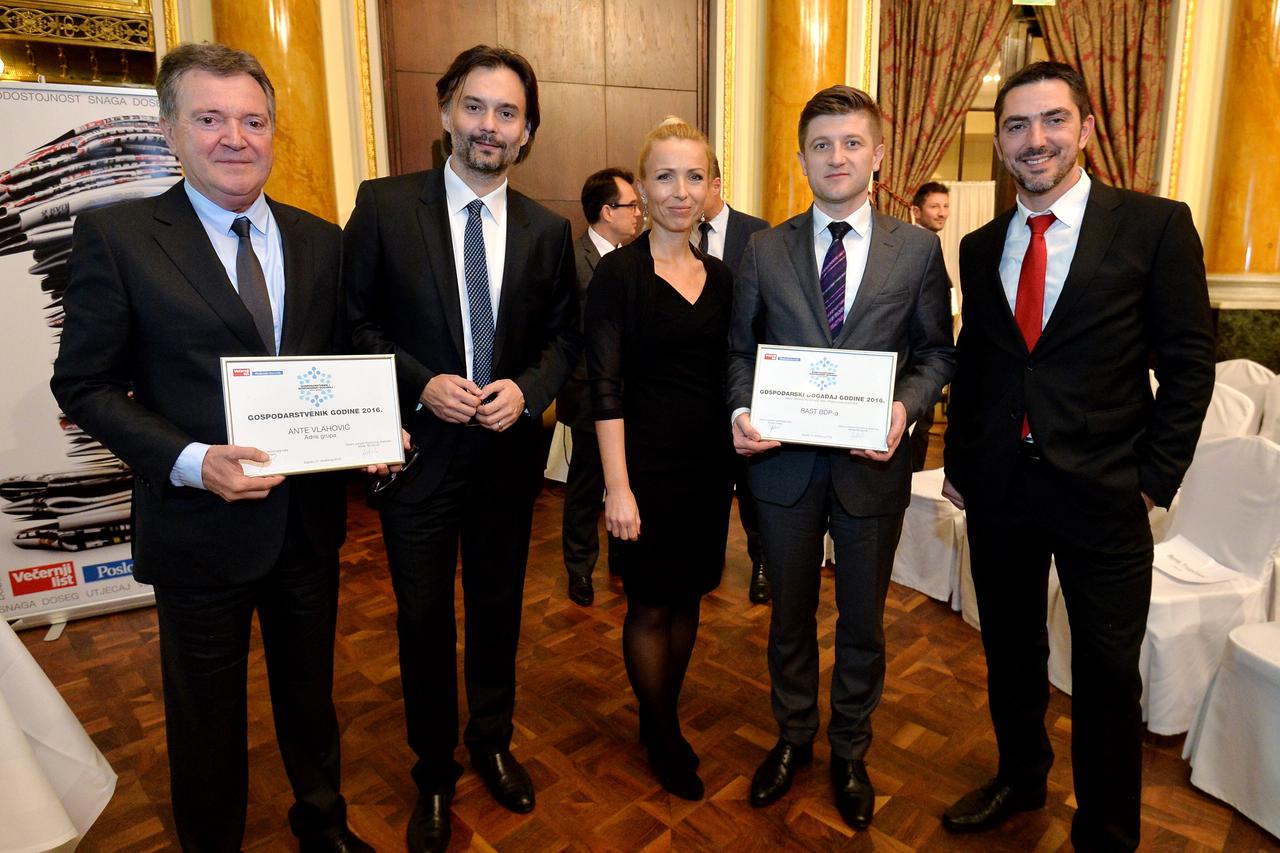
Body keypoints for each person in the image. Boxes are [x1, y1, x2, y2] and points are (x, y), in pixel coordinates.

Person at [50, 43, 370, 853]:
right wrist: (194, 460)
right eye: (211, 118)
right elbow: (84, 386)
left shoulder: (320, 240)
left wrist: (376, 425)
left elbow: (331, 370)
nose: (235, 137)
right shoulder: (118, 236)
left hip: (305, 525)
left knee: (311, 695)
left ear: (273, 133)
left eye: (253, 120)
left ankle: (323, 825)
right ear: (170, 131)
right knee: (205, 720)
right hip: (196, 530)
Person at [939, 62, 1214, 851]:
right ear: (1000, 141)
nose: (1036, 140)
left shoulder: (1156, 227)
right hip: (1001, 488)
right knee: (1011, 650)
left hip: (1107, 492)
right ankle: (1022, 778)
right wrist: (961, 460)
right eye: (1018, 126)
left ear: (1087, 128)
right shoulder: (981, 242)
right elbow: (982, 359)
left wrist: (1153, 481)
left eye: (1053, 120)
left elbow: (1190, 366)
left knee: (1104, 672)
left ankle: (1106, 830)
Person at [343, 45, 578, 853]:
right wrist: (419, 381)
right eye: (475, 106)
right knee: (420, 618)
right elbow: (353, 324)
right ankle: (433, 771)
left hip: (506, 459)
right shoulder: (383, 206)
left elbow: (561, 338)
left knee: (498, 608)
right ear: (447, 112)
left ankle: (492, 737)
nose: (489, 125)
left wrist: (530, 389)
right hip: (417, 456)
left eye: (507, 113)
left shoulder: (549, 230)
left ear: (527, 131)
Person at [728, 85, 954, 830]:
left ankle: (850, 749)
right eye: (822, 145)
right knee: (788, 615)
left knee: (862, 620)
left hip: (871, 465)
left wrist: (904, 408)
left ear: (879, 156)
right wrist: (740, 410)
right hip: (783, 469)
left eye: (852, 142)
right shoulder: (763, 247)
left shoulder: (917, 249)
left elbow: (934, 353)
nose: (837, 157)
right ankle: (793, 738)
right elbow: (738, 353)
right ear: (801, 158)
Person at [587, 117, 735, 801]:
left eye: (694, 176)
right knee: (649, 604)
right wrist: (617, 488)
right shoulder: (618, 275)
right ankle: (661, 727)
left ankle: (661, 715)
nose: (681, 190)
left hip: (707, 472)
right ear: (642, 188)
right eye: (666, 176)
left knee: (689, 599)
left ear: (712, 187)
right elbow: (604, 387)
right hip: (641, 471)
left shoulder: (727, 278)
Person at [559, 167, 642, 606]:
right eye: (631, 207)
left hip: (631, 396)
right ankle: (579, 569)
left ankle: (622, 560)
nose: (638, 216)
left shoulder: (633, 259)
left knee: (625, 480)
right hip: (589, 394)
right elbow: (564, 335)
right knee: (587, 485)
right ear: (607, 211)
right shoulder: (573, 261)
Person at [694, 153, 772, 604]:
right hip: (697, 384)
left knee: (752, 483)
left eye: (698, 180)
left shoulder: (758, 233)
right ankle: (707, 556)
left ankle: (761, 561)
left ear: (717, 184)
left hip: (747, 379)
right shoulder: (672, 235)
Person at [907, 180, 951, 471]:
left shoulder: (934, 247)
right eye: (934, 206)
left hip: (929, 363)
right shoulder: (910, 249)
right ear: (915, 211)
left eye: (946, 206)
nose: (942, 213)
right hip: (910, 367)